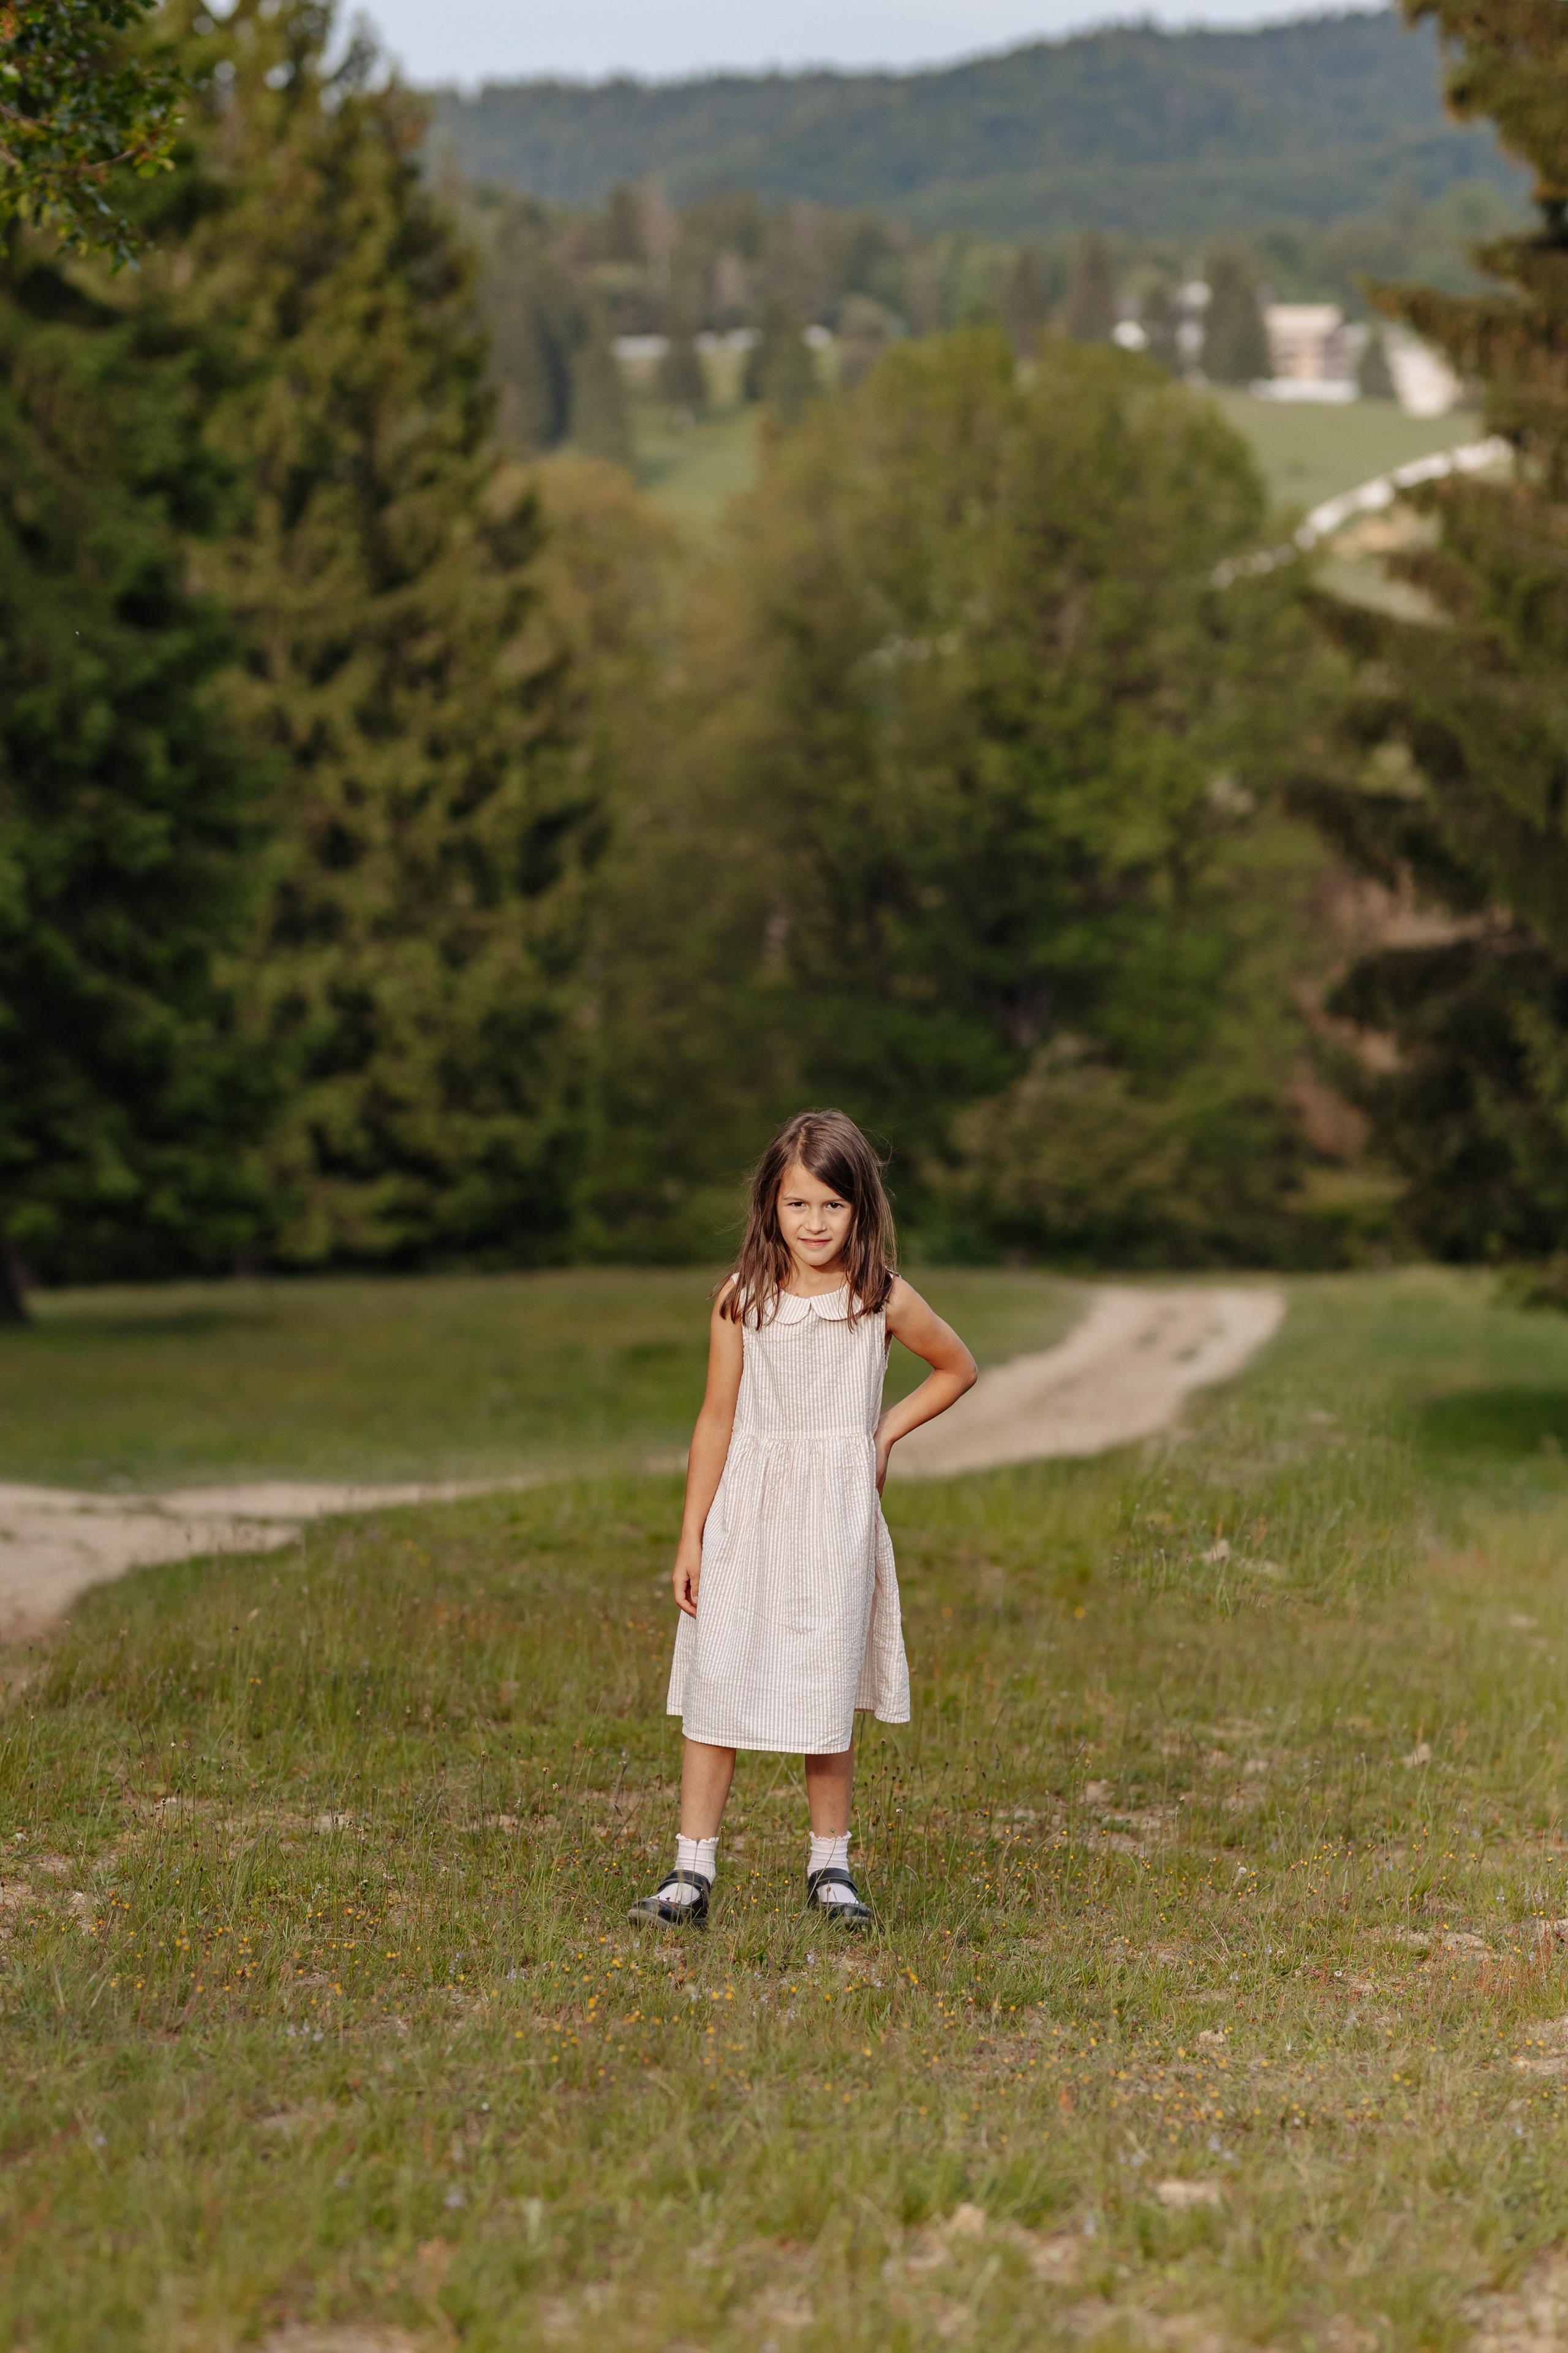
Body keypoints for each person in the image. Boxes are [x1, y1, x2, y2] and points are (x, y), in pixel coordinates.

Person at [629, 1108, 977, 1932]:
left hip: (833, 1518)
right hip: (747, 1514)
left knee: (825, 1687)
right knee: (719, 1680)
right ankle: (691, 1869)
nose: (815, 1223)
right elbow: (715, 1421)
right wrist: (691, 1535)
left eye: (832, 1205)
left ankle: (830, 1866)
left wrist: (880, 1434)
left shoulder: (879, 1295)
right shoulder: (742, 1298)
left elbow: (957, 1367)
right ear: (770, 1206)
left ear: (860, 1208)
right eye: (798, 1205)